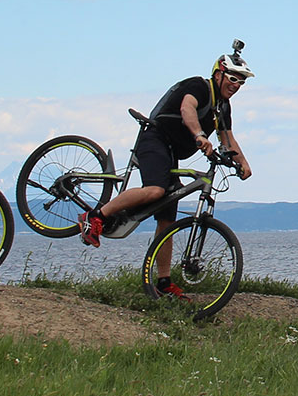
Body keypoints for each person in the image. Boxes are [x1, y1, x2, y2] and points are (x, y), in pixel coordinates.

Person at [79, 47, 254, 290]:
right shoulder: (199, 87)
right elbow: (187, 109)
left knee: (167, 220)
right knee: (156, 191)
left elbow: (228, 139)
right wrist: (200, 135)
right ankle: (94, 217)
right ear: (218, 74)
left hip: (171, 152)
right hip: (155, 139)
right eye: (233, 78)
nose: (236, 85)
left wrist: (243, 164)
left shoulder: (223, 108)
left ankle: (163, 282)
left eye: (241, 81)